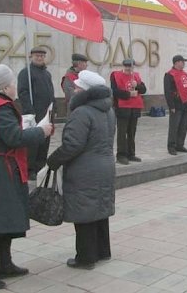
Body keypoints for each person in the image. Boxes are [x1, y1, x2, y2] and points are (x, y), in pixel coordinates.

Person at [0, 65, 52, 290]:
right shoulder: (2, 108)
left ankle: (4, 264)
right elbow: (14, 138)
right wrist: (41, 131)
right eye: (13, 83)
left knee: (3, 218)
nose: (15, 87)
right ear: (5, 87)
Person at [47, 70, 116, 270]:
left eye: (77, 87)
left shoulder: (82, 112)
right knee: (100, 209)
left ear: (85, 91)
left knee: (85, 211)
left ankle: (85, 257)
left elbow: (72, 145)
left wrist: (54, 160)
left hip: (85, 168)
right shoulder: (108, 110)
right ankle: (103, 251)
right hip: (105, 165)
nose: (74, 89)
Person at [17, 46, 56, 180]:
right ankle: (30, 169)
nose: (39, 58)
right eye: (37, 56)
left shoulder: (47, 74)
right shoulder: (26, 73)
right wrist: (29, 111)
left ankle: (40, 166)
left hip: (47, 113)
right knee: (33, 143)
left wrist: (53, 109)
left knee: (44, 142)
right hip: (34, 113)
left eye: (42, 56)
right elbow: (23, 92)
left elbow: (51, 92)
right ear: (31, 57)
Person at [110, 59, 146, 164]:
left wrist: (137, 85)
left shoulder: (136, 76)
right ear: (123, 65)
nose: (128, 68)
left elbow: (144, 90)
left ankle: (131, 154)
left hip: (135, 108)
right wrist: (128, 94)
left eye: (130, 66)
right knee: (122, 132)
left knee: (132, 132)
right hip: (122, 108)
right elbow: (114, 91)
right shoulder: (115, 75)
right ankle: (121, 155)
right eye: (126, 66)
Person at [164, 55, 187, 155]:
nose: (184, 63)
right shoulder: (169, 75)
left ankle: (180, 145)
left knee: (183, 126)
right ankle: (171, 146)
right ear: (176, 62)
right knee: (174, 126)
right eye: (182, 61)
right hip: (176, 105)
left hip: (185, 104)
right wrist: (171, 106)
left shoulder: (185, 74)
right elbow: (168, 92)